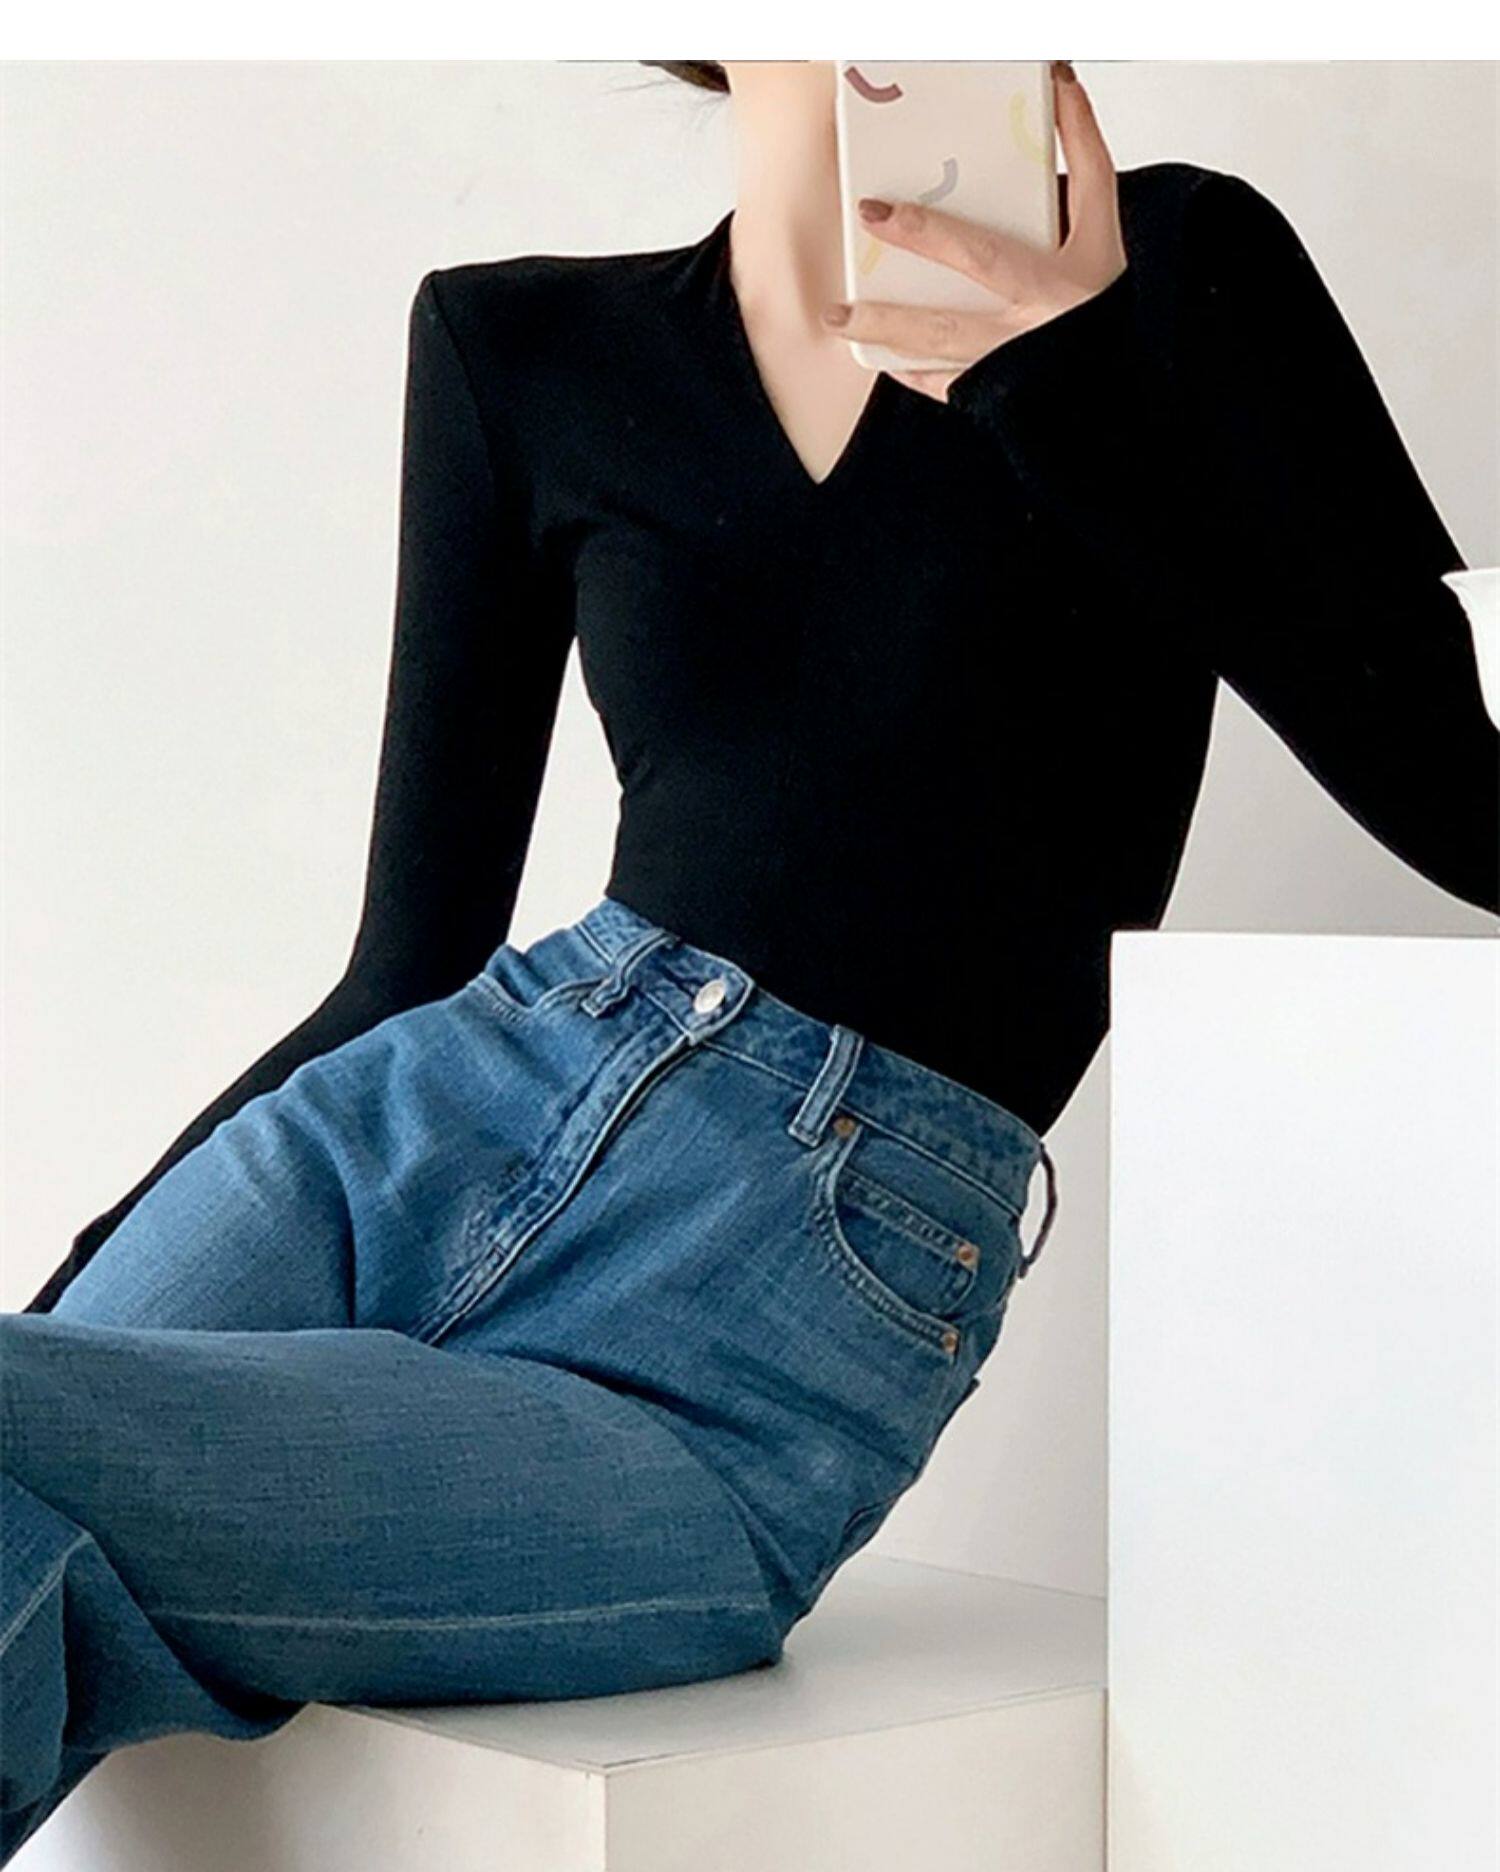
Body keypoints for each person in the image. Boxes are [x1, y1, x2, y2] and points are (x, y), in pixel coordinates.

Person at [3, 59, 1495, 1860]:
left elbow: (1465, 806)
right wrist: (69, 1308)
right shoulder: (518, 343)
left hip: (767, 1323)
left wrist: (1069, 382)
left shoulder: (1171, 263)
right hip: (438, 1107)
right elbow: (405, 963)